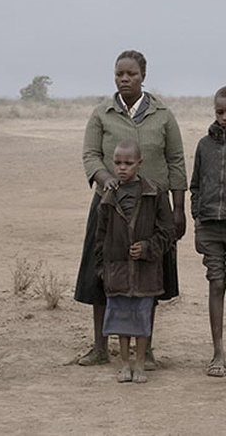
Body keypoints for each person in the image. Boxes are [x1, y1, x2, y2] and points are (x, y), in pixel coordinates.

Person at [74, 49, 187, 368]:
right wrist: (105, 178)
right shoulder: (102, 113)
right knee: (103, 271)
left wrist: (178, 207)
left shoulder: (163, 115)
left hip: (153, 209)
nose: (125, 79)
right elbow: (90, 155)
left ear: (143, 77)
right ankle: (99, 347)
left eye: (131, 74)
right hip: (109, 206)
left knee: (150, 274)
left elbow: (176, 161)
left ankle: (145, 350)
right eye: (119, 73)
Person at [95, 140, 173, 383]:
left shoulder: (154, 192)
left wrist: (148, 248)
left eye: (128, 163)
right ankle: (124, 364)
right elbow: (100, 236)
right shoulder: (108, 197)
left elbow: (167, 231)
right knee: (120, 316)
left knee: (141, 315)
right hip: (117, 269)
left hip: (145, 270)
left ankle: (140, 362)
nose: (122, 168)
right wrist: (102, 269)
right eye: (117, 163)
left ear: (140, 163)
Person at [190, 86, 226, 377]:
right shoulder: (204, 146)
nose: (224, 117)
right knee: (216, 284)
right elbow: (196, 186)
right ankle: (217, 353)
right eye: (219, 112)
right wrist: (197, 218)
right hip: (210, 228)